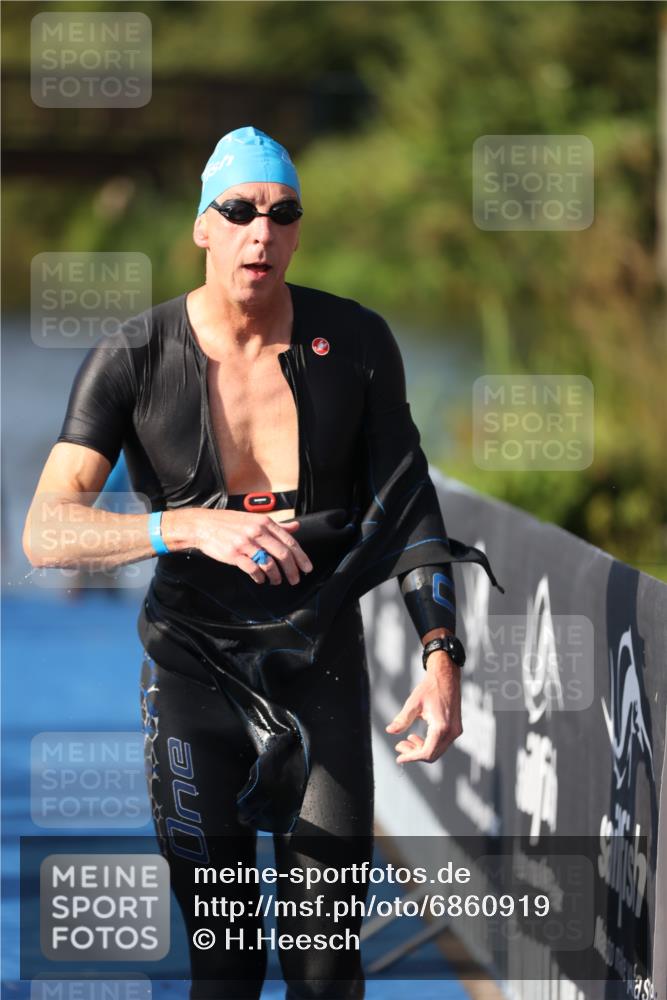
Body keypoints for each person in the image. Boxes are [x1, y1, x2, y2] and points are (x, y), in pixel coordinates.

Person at [23, 126, 501, 1000]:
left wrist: (441, 661)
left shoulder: (354, 343)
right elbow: (46, 532)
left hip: (319, 672)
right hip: (191, 676)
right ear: (201, 227)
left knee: (324, 965)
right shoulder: (133, 357)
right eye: (239, 211)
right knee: (227, 965)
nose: (261, 232)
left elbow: (411, 511)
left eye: (283, 215)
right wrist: (183, 527)